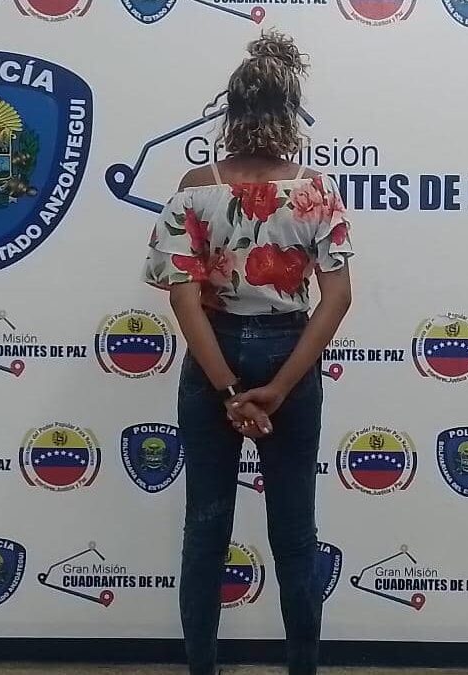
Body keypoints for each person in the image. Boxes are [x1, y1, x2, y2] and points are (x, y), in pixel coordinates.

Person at [142, 30, 354, 675]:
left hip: (215, 355)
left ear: (230, 110)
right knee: (295, 533)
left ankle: (201, 669)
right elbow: (338, 298)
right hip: (291, 354)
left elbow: (183, 300)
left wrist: (229, 391)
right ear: (290, 113)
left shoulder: (194, 187)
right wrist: (281, 387)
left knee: (205, 529)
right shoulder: (317, 191)